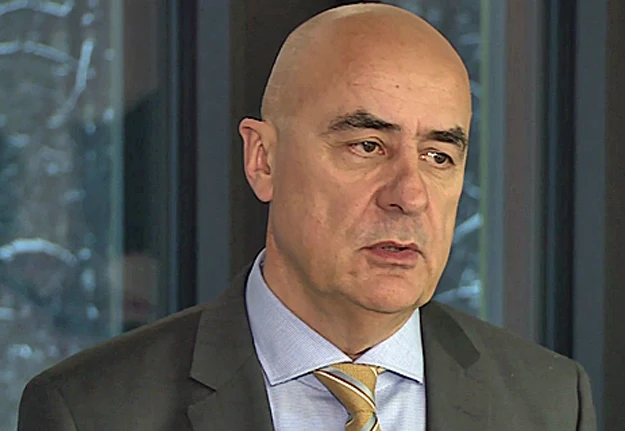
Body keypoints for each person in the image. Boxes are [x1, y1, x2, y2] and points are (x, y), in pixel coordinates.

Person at [18, 4, 596, 430]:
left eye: (438, 156)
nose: (410, 195)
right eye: (367, 146)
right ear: (263, 160)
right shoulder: (91, 410)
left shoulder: (549, 404)